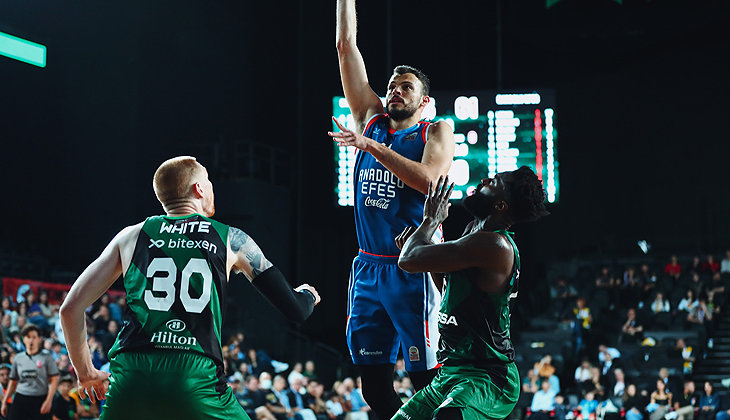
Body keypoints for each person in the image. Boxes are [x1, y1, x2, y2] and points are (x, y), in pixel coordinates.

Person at [58, 156, 321, 420]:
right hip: (193, 375)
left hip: (131, 375)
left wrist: (86, 373)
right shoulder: (231, 238)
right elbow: (296, 310)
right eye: (208, 180)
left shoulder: (132, 235)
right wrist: (308, 295)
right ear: (199, 189)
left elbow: (70, 309)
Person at [332, 0, 455, 418]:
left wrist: (373, 148)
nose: (395, 90)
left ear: (424, 101)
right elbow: (345, 46)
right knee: (374, 391)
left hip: (414, 269)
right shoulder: (371, 119)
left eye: (406, 86)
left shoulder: (436, 130)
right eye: (392, 85)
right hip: (368, 269)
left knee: (427, 385)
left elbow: (428, 181)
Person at [392, 169, 549, 420]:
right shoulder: (473, 230)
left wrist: (431, 221)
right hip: (452, 373)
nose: (485, 180)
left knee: (448, 417)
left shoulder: (495, 245)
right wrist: (427, 255)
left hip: (488, 376)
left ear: (500, 204)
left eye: (494, 182)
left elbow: (408, 259)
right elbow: (447, 288)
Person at [1, 324, 60, 420]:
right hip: (21, 399)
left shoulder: (47, 357)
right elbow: (13, 382)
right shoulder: (18, 358)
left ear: (39, 339)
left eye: (34, 337)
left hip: (40, 399)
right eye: (28, 337)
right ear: (24, 340)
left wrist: (49, 400)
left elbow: (54, 379)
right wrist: (4, 401)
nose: (31, 340)